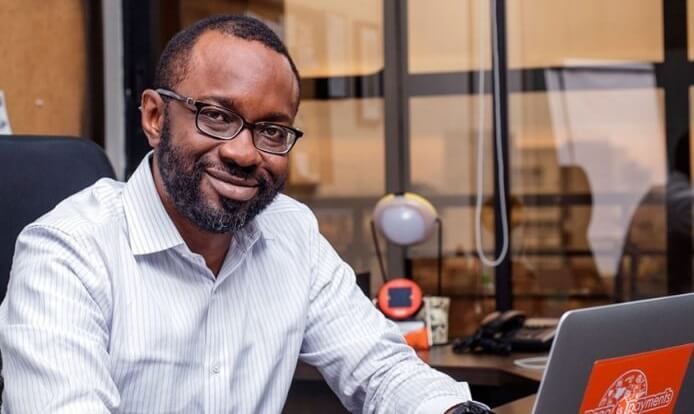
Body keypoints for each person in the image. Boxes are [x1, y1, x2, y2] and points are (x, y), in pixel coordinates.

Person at [0, 16, 490, 413]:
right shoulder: (66, 252)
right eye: (216, 115)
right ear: (154, 118)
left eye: (273, 131)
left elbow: (382, 371)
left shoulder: (291, 232)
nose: (242, 152)